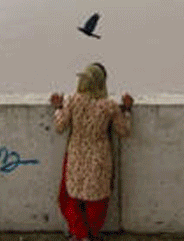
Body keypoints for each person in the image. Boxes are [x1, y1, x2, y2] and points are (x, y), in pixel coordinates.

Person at [50, 63, 133, 241]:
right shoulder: (109, 105)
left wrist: (57, 108)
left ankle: (79, 234)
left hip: (76, 153)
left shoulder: (73, 100)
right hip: (99, 156)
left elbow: (60, 126)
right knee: (96, 198)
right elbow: (124, 131)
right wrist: (127, 110)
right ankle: (91, 234)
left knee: (73, 195)